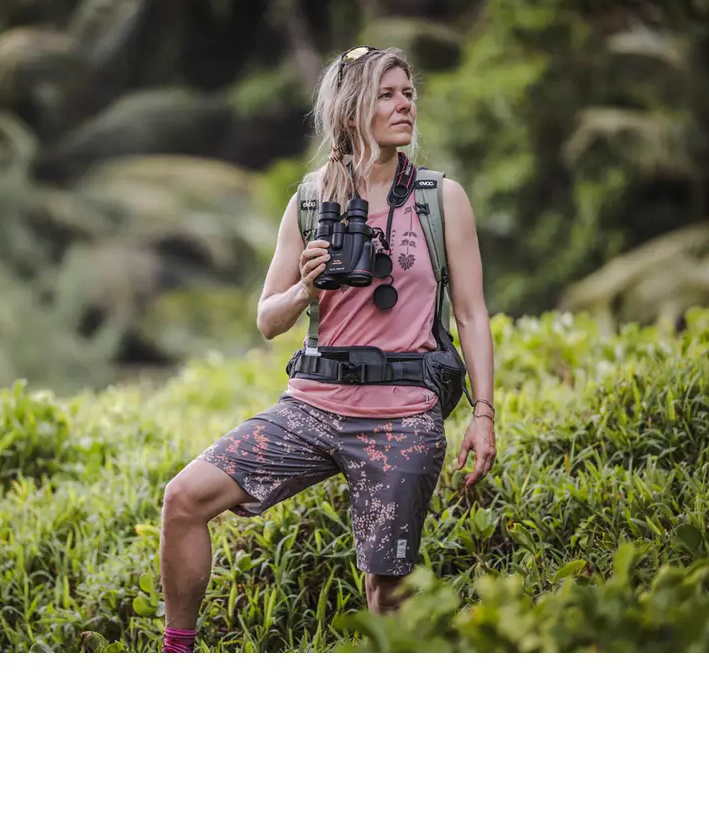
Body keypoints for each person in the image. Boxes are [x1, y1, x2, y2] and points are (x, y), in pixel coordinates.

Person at [158, 45, 496, 653]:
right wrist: (305, 290)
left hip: (402, 418)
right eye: (387, 95)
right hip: (311, 408)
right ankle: (176, 652)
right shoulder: (311, 200)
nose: (405, 104)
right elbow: (267, 319)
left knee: (387, 590)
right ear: (351, 111)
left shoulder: (441, 199)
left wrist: (484, 412)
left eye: (408, 93)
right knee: (183, 498)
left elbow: (471, 314)